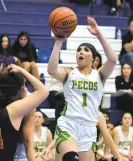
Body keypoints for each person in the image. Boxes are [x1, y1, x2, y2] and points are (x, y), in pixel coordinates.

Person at [47, 16, 117, 161]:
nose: (81, 52)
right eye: (79, 50)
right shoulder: (69, 73)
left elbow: (113, 59)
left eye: (86, 50)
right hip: (69, 123)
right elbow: (52, 70)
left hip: (89, 127)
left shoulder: (99, 75)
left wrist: (98, 34)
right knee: (72, 158)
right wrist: (58, 42)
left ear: (93, 58)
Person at [42, 112, 124, 161]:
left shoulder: (98, 115)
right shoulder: (70, 112)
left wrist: (119, 157)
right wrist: (49, 147)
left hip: (86, 148)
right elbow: (61, 135)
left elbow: (107, 137)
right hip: (69, 146)